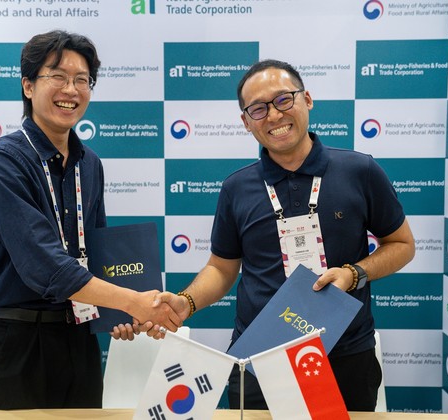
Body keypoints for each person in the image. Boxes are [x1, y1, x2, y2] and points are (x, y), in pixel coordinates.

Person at [151, 59, 415, 411]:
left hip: (345, 356)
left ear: (307, 99)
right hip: (261, 358)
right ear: (246, 122)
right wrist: (187, 301)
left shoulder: (360, 170)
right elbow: (221, 268)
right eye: (258, 109)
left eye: (283, 99)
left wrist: (354, 274)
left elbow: (402, 245)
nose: (274, 115)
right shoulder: (236, 188)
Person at [0, 30, 180, 410]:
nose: (71, 90)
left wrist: (117, 314)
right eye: (58, 76)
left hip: (80, 339)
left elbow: (98, 253)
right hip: (19, 344)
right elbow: (46, 266)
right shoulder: (5, 162)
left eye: (82, 80)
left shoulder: (90, 163)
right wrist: (135, 302)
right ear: (28, 86)